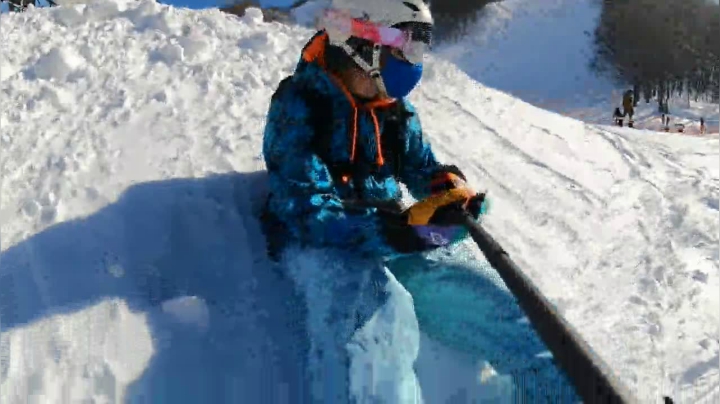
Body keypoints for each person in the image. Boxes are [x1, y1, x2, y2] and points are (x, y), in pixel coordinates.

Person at [260, 0, 489, 401]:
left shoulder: (395, 112)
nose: (414, 61)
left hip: (388, 233)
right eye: (407, 47)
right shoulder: (300, 105)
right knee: (374, 328)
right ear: (361, 41)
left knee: (493, 309)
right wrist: (395, 233)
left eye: (421, 47)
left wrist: (446, 190)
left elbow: (421, 166)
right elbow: (306, 210)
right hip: (320, 245)